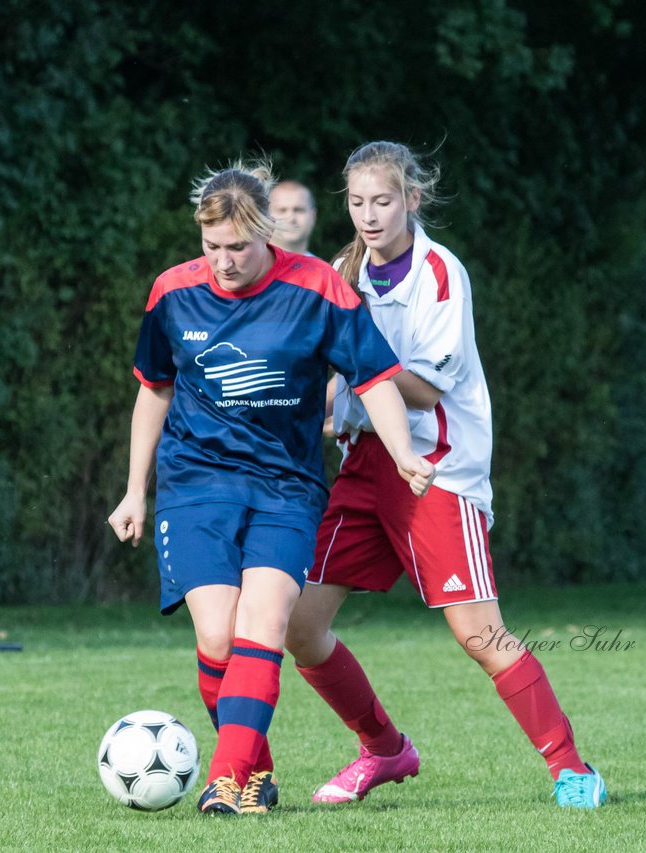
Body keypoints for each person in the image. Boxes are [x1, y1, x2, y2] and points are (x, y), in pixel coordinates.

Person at [283, 141, 607, 810]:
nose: (369, 215)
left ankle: (572, 767)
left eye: (384, 200)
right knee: (298, 623)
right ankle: (383, 748)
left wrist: (357, 357)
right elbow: (334, 365)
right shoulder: (345, 266)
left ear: (412, 199)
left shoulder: (439, 274)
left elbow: (425, 392)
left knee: (479, 635)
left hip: (436, 471)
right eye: (357, 201)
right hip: (365, 465)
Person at [107, 160, 434, 816]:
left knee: (265, 619)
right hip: (195, 482)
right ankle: (253, 766)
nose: (224, 263)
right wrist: (133, 489)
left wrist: (402, 452)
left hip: (286, 486)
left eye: (239, 248)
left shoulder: (317, 288)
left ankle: (227, 778)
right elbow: (154, 389)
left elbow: (375, 378)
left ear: (270, 237)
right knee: (219, 639)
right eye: (212, 248)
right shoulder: (172, 291)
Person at [268, 180, 318, 256]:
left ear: (313, 217)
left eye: (299, 210)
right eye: (282, 210)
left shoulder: (323, 267)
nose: (291, 219)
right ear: (267, 217)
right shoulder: (250, 265)